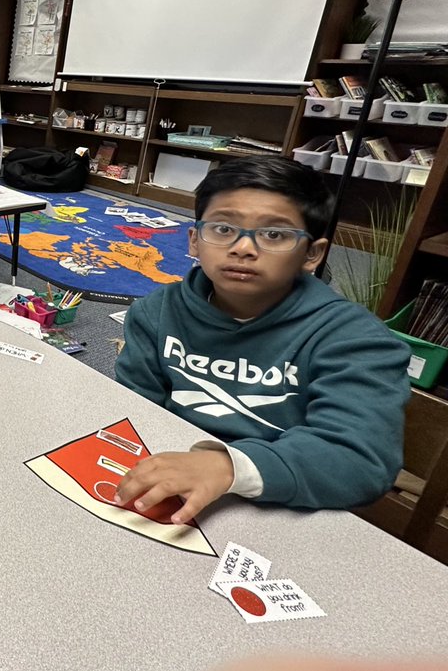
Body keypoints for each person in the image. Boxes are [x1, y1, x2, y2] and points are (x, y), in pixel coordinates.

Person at [114, 155, 409, 523]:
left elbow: (361, 461)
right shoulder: (155, 312)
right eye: (223, 229)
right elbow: (129, 414)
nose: (243, 248)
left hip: (281, 504)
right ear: (194, 240)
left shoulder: (355, 339)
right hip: (171, 490)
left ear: (312, 254)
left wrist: (228, 467)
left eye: (274, 234)